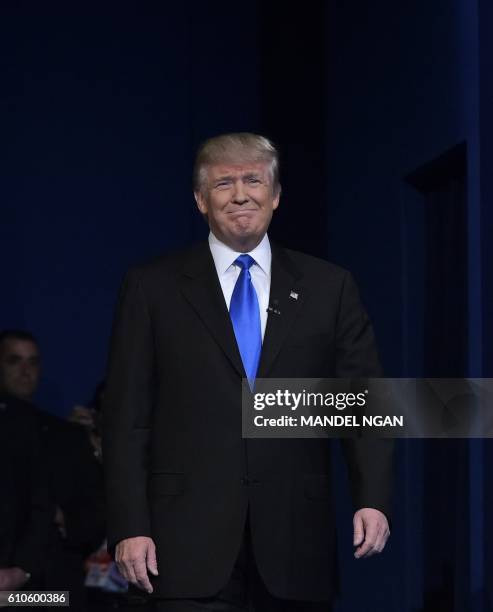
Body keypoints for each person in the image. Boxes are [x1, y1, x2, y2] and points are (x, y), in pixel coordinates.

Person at [103, 133, 393, 611]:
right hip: (182, 545)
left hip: (296, 542)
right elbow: (126, 419)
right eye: (224, 183)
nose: (241, 194)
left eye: (253, 180)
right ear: (200, 200)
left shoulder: (329, 287)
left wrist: (373, 498)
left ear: (275, 195)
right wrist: (130, 525)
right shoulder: (151, 287)